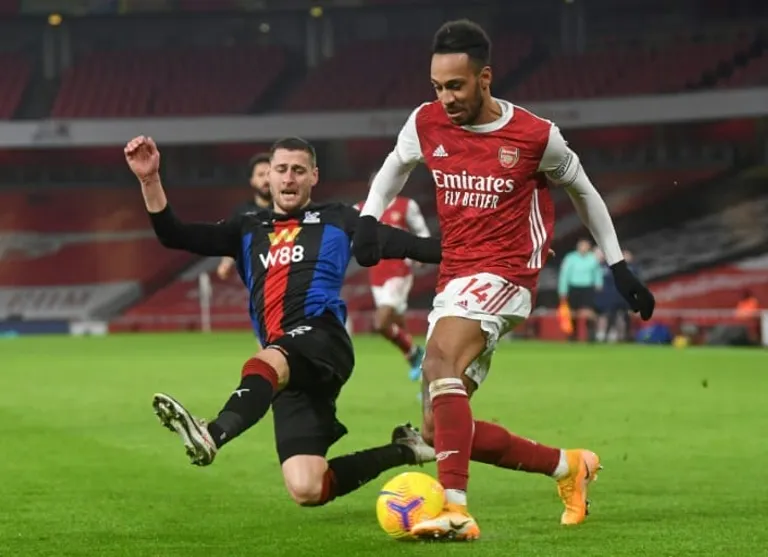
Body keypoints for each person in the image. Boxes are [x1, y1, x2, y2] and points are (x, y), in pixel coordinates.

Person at [352, 19, 655, 540]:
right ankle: (569, 467)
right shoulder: (425, 122)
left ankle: (455, 509)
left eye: (456, 86)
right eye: (437, 87)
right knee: (440, 428)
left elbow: (584, 192)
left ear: (485, 78)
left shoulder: (535, 136)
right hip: (455, 276)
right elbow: (394, 166)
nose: (445, 98)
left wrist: (618, 265)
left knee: (438, 361)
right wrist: (367, 219)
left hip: (507, 274)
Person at [125, 135, 441, 508]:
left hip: (323, 338)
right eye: (281, 170)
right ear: (269, 177)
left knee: (266, 360)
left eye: (298, 170)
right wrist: (149, 179)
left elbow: (410, 245)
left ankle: (212, 433)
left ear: (314, 176)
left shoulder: (339, 218)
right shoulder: (246, 227)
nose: (289, 178)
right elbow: (173, 234)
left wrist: (478, 250)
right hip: (287, 364)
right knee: (308, 488)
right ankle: (405, 449)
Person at [354, 180, 431, 380]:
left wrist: (420, 254)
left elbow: (422, 232)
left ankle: (415, 354)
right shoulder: (361, 209)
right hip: (376, 274)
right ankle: (420, 363)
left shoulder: (406, 205)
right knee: (396, 321)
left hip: (399, 272)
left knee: (380, 322)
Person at [216, 153, 272, 280]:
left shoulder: (286, 209)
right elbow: (232, 241)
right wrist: (225, 264)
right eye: (260, 175)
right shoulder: (242, 212)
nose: (266, 180)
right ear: (252, 180)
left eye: (269, 174)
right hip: (256, 277)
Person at [558, 238, 603, 342]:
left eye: (586, 245)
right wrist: (562, 290)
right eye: (582, 245)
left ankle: (591, 335)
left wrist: (599, 283)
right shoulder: (570, 258)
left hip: (588, 287)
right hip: (574, 287)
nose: (583, 248)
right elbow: (564, 275)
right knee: (573, 312)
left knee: (589, 312)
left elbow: (597, 272)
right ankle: (573, 334)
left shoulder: (593, 258)